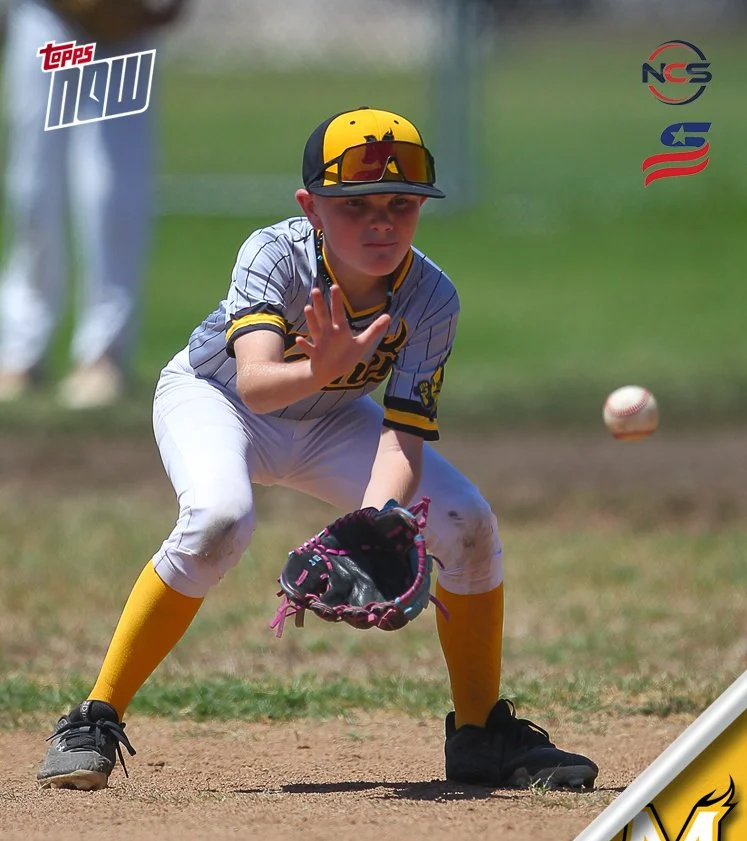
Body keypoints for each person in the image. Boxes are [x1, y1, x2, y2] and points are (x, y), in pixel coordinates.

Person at [36, 106, 598, 791]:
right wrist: (322, 367)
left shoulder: (431, 297)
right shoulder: (275, 254)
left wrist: (377, 521)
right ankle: (92, 719)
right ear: (311, 208)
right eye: (355, 205)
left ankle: (482, 734)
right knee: (218, 519)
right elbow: (256, 385)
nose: (382, 223)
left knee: (468, 523)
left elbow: (404, 432)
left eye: (401, 204)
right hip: (217, 400)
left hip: (333, 418)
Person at [0, 0, 183, 408]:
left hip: (125, 27)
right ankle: (20, 350)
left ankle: (104, 354)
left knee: (111, 191)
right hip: (50, 18)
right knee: (34, 189)